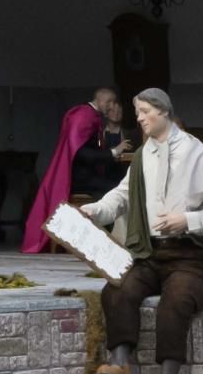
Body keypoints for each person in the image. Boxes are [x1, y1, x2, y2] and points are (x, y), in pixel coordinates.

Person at [85, 87, 203, 374]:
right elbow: (121, 195)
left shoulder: (197, 154)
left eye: (144, 112)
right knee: (118, 288)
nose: (138, 119)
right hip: (150, 253)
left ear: (163, 111)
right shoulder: (141, 157)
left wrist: (188, 220)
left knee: (178, 299)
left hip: (188, 256)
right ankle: (121, 361)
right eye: (137, 112)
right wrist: (96, 210)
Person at [24, 86, 127, 255]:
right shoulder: (84, 116)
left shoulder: (88, 114)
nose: (111, 107)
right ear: (101, 100)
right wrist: (113, 152)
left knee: (117, 187)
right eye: (109, 102)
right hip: (81, 179)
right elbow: (80, 152)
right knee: (117, 191)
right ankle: (105, 243)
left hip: (83, 176)